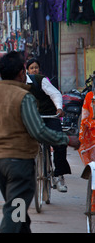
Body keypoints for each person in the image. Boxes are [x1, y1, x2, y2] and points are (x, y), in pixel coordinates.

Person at [0, 51, 72, 233]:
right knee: (15, 212)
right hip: (20, 164)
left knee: (19, 212)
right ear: (22, 73)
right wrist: (67, 139)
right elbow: (38, 131)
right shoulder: (24, 97)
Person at [26, 58, 70, 192]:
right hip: (33, 117)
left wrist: (59, 108)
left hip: (50, 115)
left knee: (60, 142)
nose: (34, 70)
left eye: (36, 67)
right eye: (31, 68)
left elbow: (55, 94)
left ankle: (58, 175)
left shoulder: (41, 80)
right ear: (26, 70)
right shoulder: (19, 83)